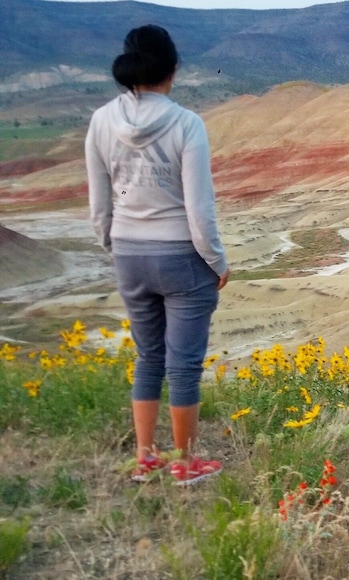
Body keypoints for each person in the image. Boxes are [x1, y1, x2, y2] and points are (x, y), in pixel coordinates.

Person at [86, 24, 230, 486]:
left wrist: (116, 245)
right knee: (183, 365)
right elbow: (199, 207)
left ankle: (146, 460)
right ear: (172, 69)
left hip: (128, 253)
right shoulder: (188, 124)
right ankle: (185, 465)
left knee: (148, 358)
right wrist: (217, 262)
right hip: (181, 256)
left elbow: (98, 203)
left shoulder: (100, 121)